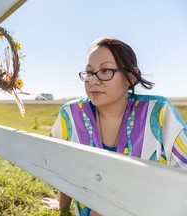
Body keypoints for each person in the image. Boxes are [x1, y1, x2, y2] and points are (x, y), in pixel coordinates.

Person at [42, 37, 187, 215]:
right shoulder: (71, 115)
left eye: (105, 70)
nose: (93, 81)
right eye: (89, 72)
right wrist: (62, 207)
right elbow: (64, 165)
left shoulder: (158, 111)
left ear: (131, 76)